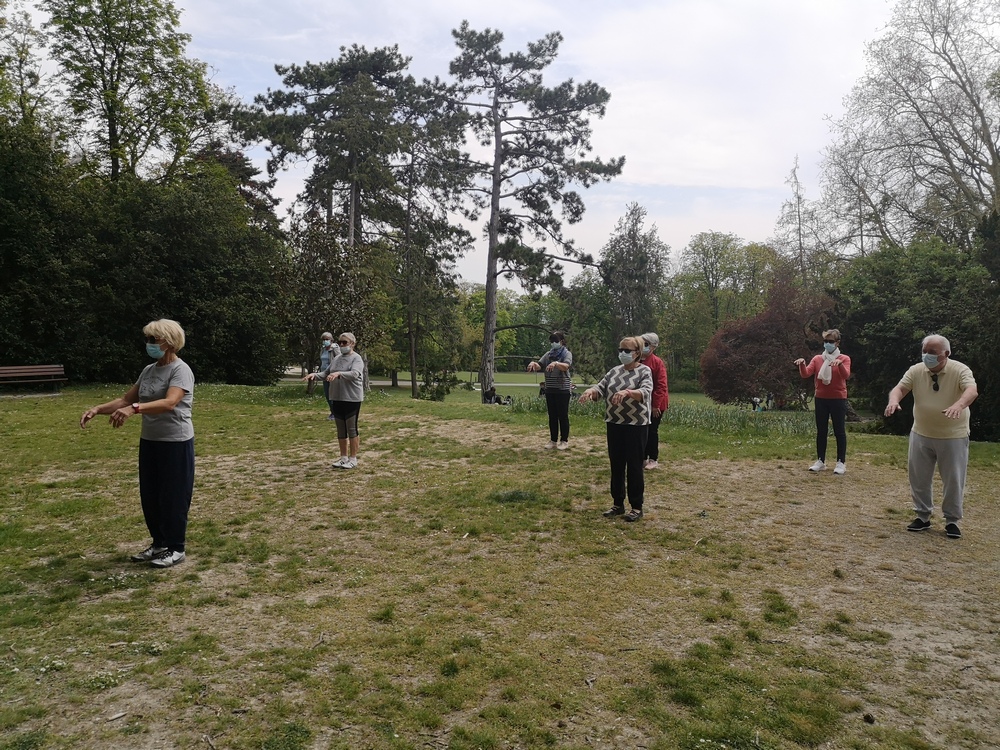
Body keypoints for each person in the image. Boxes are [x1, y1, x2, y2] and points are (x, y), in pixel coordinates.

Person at [80, 319, 195, 568]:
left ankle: (176, 547)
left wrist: (136, 409)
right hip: (150, 441)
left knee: (173, 495)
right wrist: (97, 409)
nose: (149, 344)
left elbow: (169, 402)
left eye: (154, 340)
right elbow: (125, 399)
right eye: (148, 339)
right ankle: (159, 544)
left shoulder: (180, 370)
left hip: (176, 442)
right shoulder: (148, 370)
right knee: (151, 495)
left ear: (170, 342)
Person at [884, 334, 978, 539]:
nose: (927, 356)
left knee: (953, 479)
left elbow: (971, 390)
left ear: (946, 354)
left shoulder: (960, 370)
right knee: (918, 477)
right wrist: (893, 400)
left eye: (932, 353)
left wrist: (958, 405)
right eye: (925, 351)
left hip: (953, 436)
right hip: (921, 433)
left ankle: (952, 520)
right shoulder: (916, 370)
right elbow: (900, 388)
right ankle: (922, 516)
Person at [579, 336, 653, 522]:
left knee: (634, 467)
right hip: (614, 423)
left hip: (636, 425)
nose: (622, 354)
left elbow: (645, 391)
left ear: (637, 353)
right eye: (620, 350)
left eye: (627, 351)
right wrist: (591, 391)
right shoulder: (614, 371)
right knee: (616, 465)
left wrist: (627, 392)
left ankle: (636, 506)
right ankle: (617, 504)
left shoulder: (644, 371)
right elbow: (601, 387)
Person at [304, 332, 365, 469]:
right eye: (341, 342)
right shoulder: (336, 359)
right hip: (336, 397)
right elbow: (326, 374)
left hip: (351, 398)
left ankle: (353, 458)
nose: (342, 345)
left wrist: (339, 374)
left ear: (352, 344)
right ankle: (343, 457)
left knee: (351, 428)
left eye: (345, 342)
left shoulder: (357, 359)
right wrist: (314, 375)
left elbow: (355, 374)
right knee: (340, 429)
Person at [795, 328, 852, 475]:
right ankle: (821, 461)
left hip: (838, 399)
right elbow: (806, 373)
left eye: (830, 341)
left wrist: (839, 365)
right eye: (825, 341)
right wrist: (802, 364)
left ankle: (841, 462)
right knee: (821, 431)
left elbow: (846, 376)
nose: (827, 344)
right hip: (821, 398)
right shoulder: (817, 359)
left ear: (837, 342)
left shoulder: (844, 358)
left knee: (839, 431)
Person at [527, 331, 573, 450]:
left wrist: (556, 363)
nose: (553, 343)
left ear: (562, 341)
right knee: (552, 416)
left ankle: (564, 440)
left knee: (562, 415)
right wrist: (534, 364)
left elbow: (566, 366)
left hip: (562, 389)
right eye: (552, 341)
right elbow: (540, 365)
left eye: (556, 341)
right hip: (550, 389)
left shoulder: (566, 354)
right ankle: (553, 440)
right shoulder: (548, 354)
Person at [640, 332, 669, 470]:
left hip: (656, 404)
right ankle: (643, 457)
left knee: (652, 431)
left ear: (653, 347)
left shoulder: (657, 363)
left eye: (646, 344)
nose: (642, 346)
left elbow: (661, 386)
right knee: (642, 431)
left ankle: (653, 458)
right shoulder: (638, 360)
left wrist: (655, 405)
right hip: (642, 403)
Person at [318, 331, 336, 420]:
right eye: (324, 339)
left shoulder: (334, 349)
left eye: (327, 339)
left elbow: (339, 359)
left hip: (332, 375)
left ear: (331, 340)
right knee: (327, 394)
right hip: (324, 374)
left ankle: (335, 413)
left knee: (333, 394)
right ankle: (332, 412)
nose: (325, 341)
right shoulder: (323, 349)